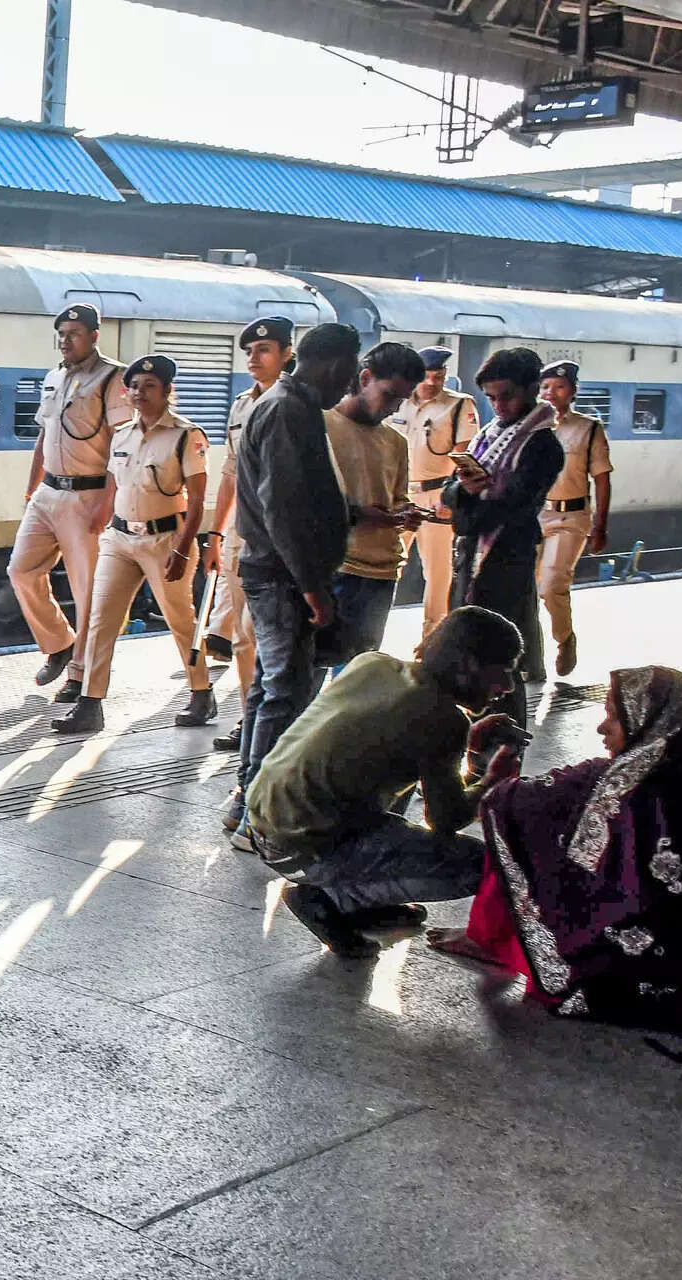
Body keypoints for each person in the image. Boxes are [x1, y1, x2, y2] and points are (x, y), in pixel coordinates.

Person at [432, 667, 682, 1067]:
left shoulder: (629, 785)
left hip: (636, 965)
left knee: (513, 811)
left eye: (613, 715)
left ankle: (493, 939)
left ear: (652, 724)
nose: (601, 728)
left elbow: (509, 804)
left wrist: (489, 776)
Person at [248, 606, 526, 958]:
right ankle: (332, 898)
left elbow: (374, 745)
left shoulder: (373, 664)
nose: (509, 686)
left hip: (263, 824)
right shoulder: (442, 719)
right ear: (469, 664)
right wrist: (491, 782)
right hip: (304, 847)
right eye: (503, 671)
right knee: (482, 863)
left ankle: (360, 901)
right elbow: (445, 821)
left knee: (392, 787)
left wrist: (466, 746)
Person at [225, 323, 360, 843]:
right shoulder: (288, 409)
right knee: (284, 693)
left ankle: (245, 800)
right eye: (348, 372)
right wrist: (312, 587)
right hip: (282, 577)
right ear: (330, 364)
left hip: (275, 572)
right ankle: (261, 816)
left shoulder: (287, 403)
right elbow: (284, 506)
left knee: (267, 689)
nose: (348, 385)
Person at [51, 354, 215, 734]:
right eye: (135, 387)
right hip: (121, 538)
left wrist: (182, 548)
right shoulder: (122, 433)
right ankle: (90, 704)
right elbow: (114, 483)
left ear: (168, 391)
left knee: (179, 619)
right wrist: (104, 520)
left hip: (165, 540)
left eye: (150, 387)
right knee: (100, 617)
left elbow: (197, 500)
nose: (139, 393)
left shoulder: (186, 436)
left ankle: (201, 692)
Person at [10, 303, 132, 702]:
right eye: (61, 333)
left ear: (94, 336)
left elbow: (124, 444)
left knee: (88, 592)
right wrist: (31, 487)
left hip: (89, 494)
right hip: (48, 493)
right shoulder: (54, 377)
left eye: (74, 333)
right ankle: (60, 642)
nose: (65, 340)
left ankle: (79, 676)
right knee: (21, 571)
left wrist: (109, 501)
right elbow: (44, 436)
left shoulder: (113, 378)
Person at [446, 346, 565, 724]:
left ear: (533, 389)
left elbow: (515, 505)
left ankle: (504, 746)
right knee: (471, 653)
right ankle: (479, 741)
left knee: (496, 659)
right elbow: (452, 490)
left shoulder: (543, 444)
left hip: (506, 558)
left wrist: (466, 515)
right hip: (472, 555)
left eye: (507, 396)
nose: (498, 406)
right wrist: (464, 490)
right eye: (492, 398)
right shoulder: (489, 434)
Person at [202, 316, 294, 752]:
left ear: (287, 354)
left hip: (281, 535)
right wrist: (215, 534)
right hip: (244, 532)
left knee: (264, 633)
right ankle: (249, 718)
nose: (254, 359)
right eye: (250, 352)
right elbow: (229, 472)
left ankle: (274, 722)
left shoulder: (298, 403)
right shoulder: (241, 404)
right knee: (241, 636)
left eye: (264, 351)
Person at [314, 342, 425, 670]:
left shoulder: (395, 442)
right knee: (312, 673)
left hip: (382, 571)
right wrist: (360, 515)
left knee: (356, 675)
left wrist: (406, 513)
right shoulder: (320, 426)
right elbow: (306, 499)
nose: (394, 407)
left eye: (402, 400)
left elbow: (398, 498)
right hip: (335, 567)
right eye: (390, 395)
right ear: (365, 378)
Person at [386, 345, 478, 632]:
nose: (432, 382)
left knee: (437, 572)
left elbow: (463, 455)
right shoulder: (398, 402)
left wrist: (451, 496)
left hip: (438, 494)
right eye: (427, 376)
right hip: (399, 493)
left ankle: (432, 638)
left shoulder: (460, 405)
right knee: (387, 564)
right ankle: (372, 633)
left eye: (438, 376)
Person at [534, 360, 613, 679]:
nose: (551, 393)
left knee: (552, 584)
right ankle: (528, 654)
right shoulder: (533, 426)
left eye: (560, 387)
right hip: (536, 514)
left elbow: (603, 479)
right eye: (545, 387)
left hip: (572, 516)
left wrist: (600, 525)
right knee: (525, 587)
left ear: (573, 392)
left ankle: (564, 639)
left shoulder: (588, 428)